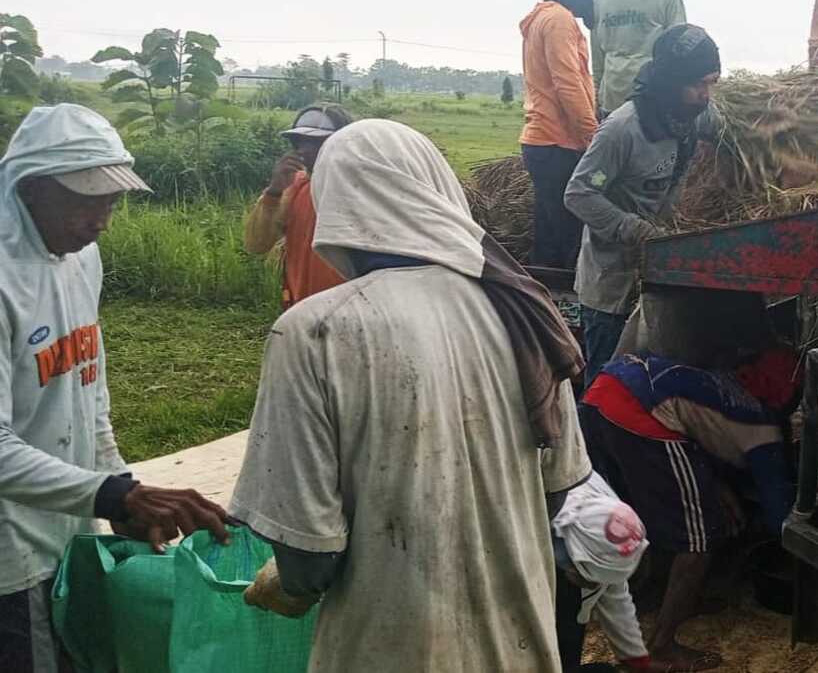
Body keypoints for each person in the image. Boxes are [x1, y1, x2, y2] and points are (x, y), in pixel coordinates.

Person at [232, 119, 592, 673]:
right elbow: (554, 494)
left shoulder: (313, 331)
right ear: (437, 191)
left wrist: (288, 585)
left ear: (336, 205)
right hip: (520, 647)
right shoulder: (525, 313)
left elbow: (310, 556)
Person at [0, 104, 230, 673]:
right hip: (8, 550)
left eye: (112, 199)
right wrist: (113, 495)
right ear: (30, 189)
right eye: (86, 200)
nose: (102, 219)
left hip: (67, 525)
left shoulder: (83, 259)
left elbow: (88, 387)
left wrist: (118, 482)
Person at [580, 346, 798, 672]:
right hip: (640, 409)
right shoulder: (763, 429)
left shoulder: (725, 380)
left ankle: (657, 595)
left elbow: (700, 433)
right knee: (701, 538)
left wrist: (718, 488)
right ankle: (660, 648)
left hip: (603, 390)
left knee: (643, 512)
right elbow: (778, 515)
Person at [565, 24, 721, 386]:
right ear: (671, 82)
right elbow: (580, 193)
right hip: (612, 287)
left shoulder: (692, 116)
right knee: (606, 387)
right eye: (699, 84)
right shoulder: (622, 131)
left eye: (711, 82)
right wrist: (634, 229)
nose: (705, 94)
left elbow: (727, 133)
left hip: (655, 277)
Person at [520, 0, 604, 269]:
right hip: (558, 144)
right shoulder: (559, 20)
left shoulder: (542, 16)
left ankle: (544, 308)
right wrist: (594, 138)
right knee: (570, 238)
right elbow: (567, 85)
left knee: (549, 236)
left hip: (543, 142)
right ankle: (569, 310)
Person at [244, 104, 355, 309]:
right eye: (300, 141)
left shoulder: (362, 189)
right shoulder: (294, 187)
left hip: (350, 309)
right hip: (302, 309)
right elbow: (257, 244)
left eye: (316, 142)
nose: (305, 149)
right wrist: (274, 190)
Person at [551, 472, 650, 672]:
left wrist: (636, 657)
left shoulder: (606, 518)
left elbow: (612, 583)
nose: (595, 586)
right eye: (588, 578)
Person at [592, 0, 687, 116]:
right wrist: (595, 95)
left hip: (653, 103)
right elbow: (597, 53)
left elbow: (678, 49)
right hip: (611, 103)